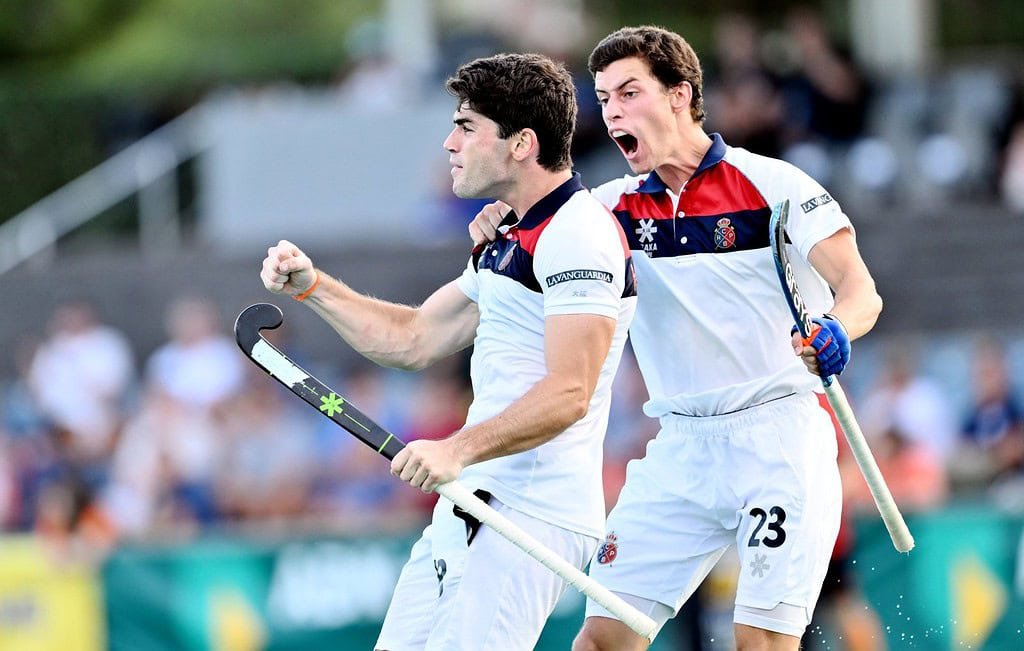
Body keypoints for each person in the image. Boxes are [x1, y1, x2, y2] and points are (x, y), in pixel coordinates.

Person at [469, 26, 883, 651]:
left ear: (679, 96)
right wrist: (505, 215)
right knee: (604, 638)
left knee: (761, 642)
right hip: (680, 448)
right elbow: (536, 232)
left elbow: (861, 291)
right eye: (603, 98)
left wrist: (836, 330)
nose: (611, 112)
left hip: (777, 437)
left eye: (629, 93)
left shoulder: (774, 184)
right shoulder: (605, 210)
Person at [260, 52, 637, 650]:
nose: (448, 143)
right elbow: (412, 339)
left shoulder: (578, 234)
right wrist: (313, 286)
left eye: (465, 127)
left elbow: (570, 393)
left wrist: (456, 448)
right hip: (470, 505)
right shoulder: (510, 237)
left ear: (521, 144)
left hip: (530, 513)